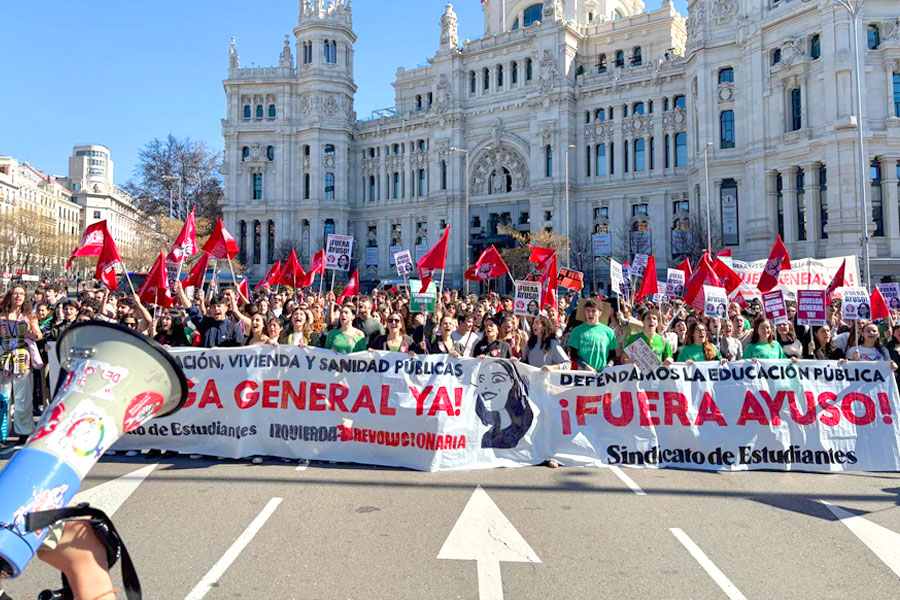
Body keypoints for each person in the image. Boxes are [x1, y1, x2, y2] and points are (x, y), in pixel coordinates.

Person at [0, 286, 42, 444]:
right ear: (10, 296)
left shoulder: (29, 316)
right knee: (3, 397)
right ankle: (2, 432)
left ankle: (24, 431)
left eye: (22, 294)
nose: (18, 296)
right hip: (3, 359)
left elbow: (38, 335)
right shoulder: (2, 314)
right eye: (15, 293)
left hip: (22, 359)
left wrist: (32, 334)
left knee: (22, 398)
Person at [176, 283, 245, 348]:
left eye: (219, 306)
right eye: (213, 307)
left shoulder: (233, 328)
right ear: (210, 310)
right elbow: (191, 309)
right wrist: (180, 291)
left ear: (226, 308)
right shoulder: (205, 324)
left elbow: (240, 350)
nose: (216, 309)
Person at [566, 299, 617, 372]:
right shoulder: (576, 331)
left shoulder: (609, 332)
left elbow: (612, 355)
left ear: (599, 313)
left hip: (603, 375)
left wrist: (609, 365)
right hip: (583, 374)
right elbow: (573, 355)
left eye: (593, 311)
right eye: (588, 310)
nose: (590, 314)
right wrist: (585, 366)